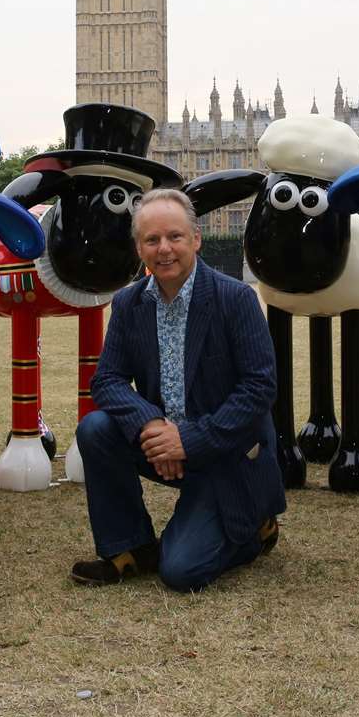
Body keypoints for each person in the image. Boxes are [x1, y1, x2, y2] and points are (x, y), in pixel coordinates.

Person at [70, 187, 286, 591]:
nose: (163, 249)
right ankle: (131, 547)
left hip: (226, 452)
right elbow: (107, 379)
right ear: (139, 247)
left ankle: (257, 528)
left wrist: (186, 439)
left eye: (174, 237)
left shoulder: (235, 299)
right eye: (151, 240)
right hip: (164, 444)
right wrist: (152, 427)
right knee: (96, 429)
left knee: (182, 572)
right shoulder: (129, 303)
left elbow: (259, 390)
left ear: (196, 239)